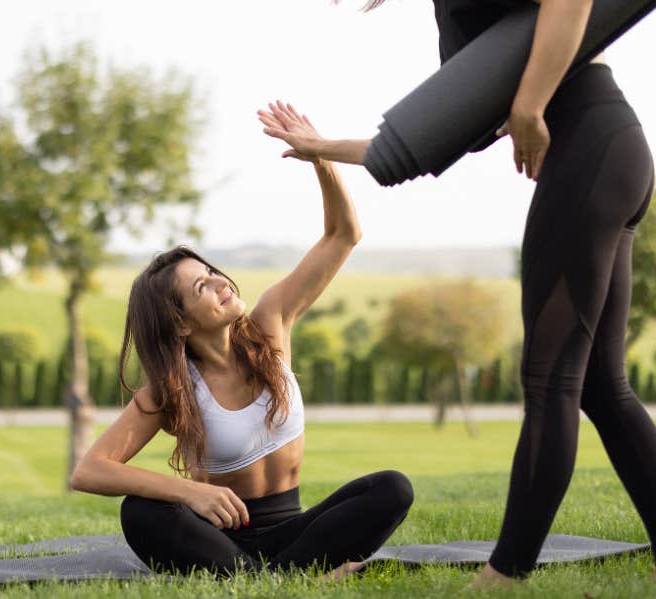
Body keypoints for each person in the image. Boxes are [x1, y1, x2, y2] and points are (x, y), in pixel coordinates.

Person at [260, 0, 656, 586]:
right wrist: (325, 146)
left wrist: (530, 104)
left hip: (590, 149)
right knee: (600, 385)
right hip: (610, 148)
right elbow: (430, 141)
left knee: (552, 382)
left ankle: (506, 572)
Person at [69, 105, 412, 577]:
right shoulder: (173, 389)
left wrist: (320, 158)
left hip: (293, 529)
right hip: (213, 540)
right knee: (140, 511)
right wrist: (190, 491)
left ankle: (268, 577)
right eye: (200, 288)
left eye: (211, 272)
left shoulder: (270, 325)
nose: (219, 283)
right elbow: (90, 470)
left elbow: (342, 235)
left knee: (391, 488)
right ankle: (290, 575)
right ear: (182, 324)